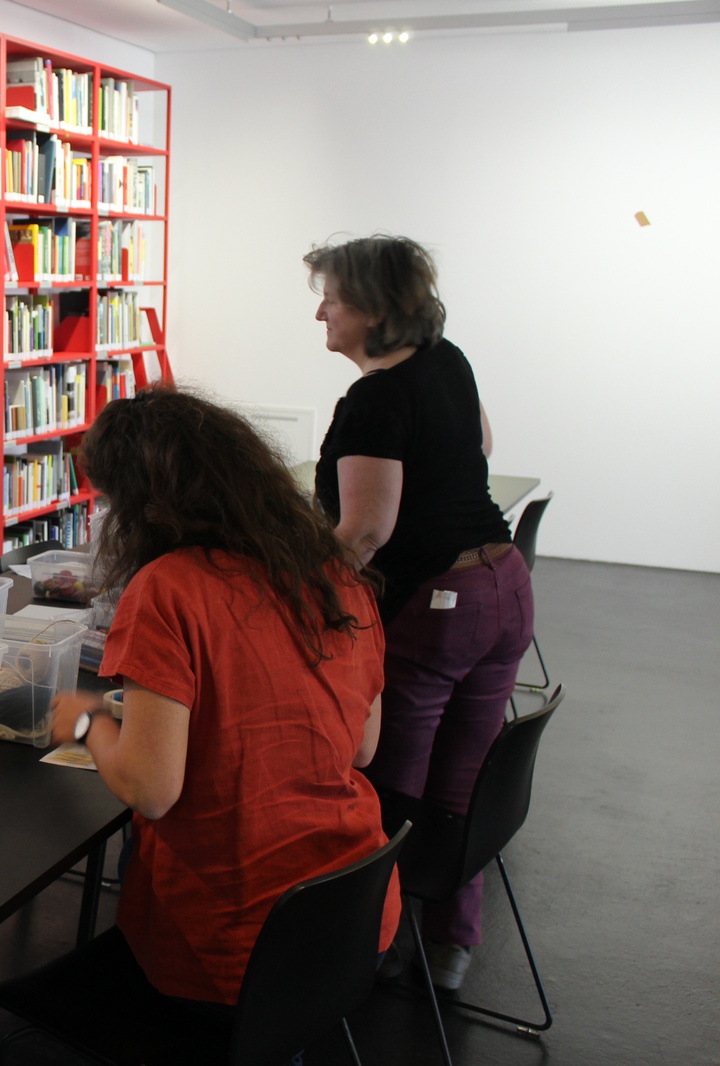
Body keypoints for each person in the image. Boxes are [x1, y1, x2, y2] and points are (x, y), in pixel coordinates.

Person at [49, 388, 398, 1016]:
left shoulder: (167, 590)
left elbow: (152, 790)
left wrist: (86, 720)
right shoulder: (337, 575)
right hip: (354, 915)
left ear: (147, 507)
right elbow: (363, 748)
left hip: (236, 946)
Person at [306, 234, 535, 990]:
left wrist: (292, 590)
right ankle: (450, 945)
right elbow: (483, 443)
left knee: (390, 787)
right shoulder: (448, 359)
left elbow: (365, 533)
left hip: (438, 608)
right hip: (504, 587)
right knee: (462, 779)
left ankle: (375, 943)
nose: (320, 315)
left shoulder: (375, 400)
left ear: (371, 310)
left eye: (331, 301)